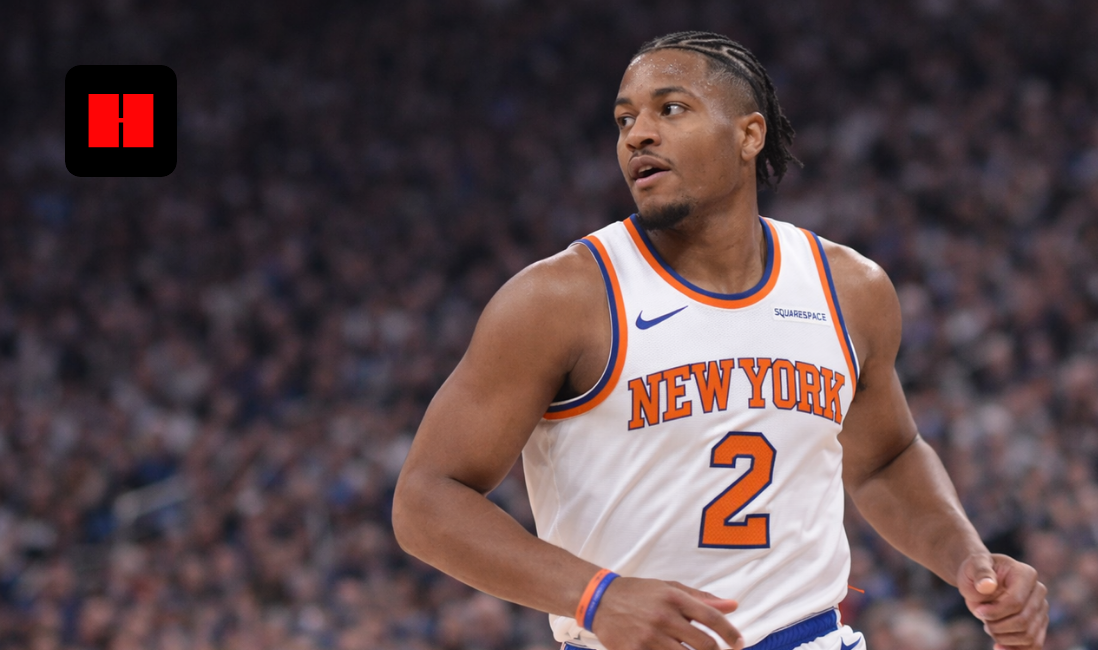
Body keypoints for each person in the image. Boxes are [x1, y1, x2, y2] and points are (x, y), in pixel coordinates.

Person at [392, 31, 1049, 650]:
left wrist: (970, 561)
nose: (638, 134)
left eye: (670, 108)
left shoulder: (849, 287)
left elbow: (884, 459)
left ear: (749, 134)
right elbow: (426, 498)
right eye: (624, 120)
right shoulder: (561, 299)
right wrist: (593, 595)